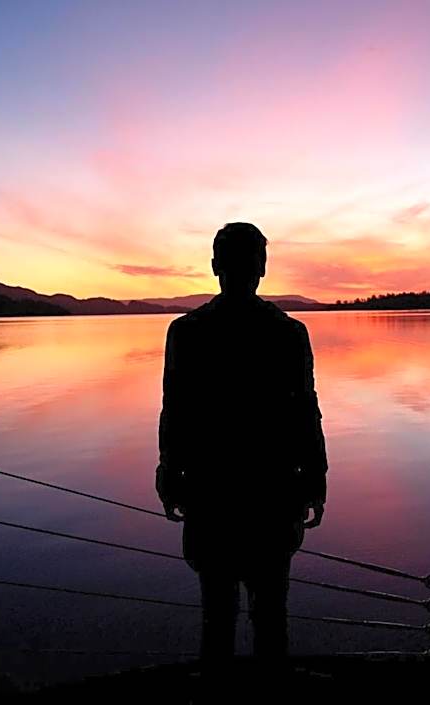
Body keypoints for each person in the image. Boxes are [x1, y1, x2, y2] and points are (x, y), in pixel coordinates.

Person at [156, 222, 328, 662]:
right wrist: (315, 479)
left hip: (211, 493)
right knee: (271, 616)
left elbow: (173, 413)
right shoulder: (288, 333)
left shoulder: (187, 331)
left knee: (218, 616)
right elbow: (306, 414)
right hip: (271, 495)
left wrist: (168, 474)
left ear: (216, 267)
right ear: (263, 267)